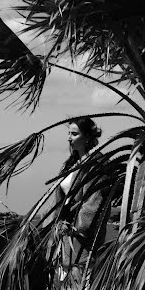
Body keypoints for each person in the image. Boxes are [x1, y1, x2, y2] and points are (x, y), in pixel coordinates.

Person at [53, 117, 108, 278]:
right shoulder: (70, 164)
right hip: (64, 236)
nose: (69, 137)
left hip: (82, 238)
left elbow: (93, 202)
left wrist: (77, 227)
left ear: (87, 137)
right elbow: (60, 199)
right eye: (69, 133)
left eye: (74, 133)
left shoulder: (96, 163)